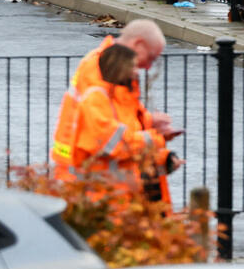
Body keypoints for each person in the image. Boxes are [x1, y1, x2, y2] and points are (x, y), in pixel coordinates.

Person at [51, 19, 181, 184]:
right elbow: (107, 135)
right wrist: (155, 138)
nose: (148, 67)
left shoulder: (112, 68)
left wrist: (148, 121)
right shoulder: (101, 70)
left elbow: (118, 117)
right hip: (85, 174)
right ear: (138, 44)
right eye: (151, 57)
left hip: (95, 172)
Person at [68, 44, 181, 203]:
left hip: (121, 197)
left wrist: (166, 159)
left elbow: (130, 150)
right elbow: (115, 145)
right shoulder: (96, 100)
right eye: (133, 66)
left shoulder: (120, 100)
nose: (137, 71)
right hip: (103, 199)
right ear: (119, 68)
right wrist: (156, 139)